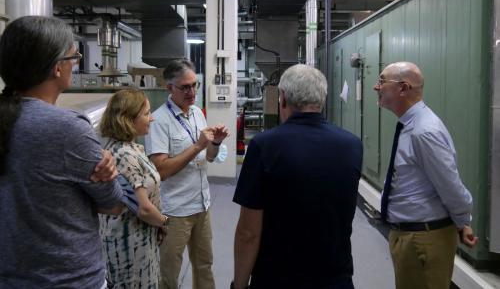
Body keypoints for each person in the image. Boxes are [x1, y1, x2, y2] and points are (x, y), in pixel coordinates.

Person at [0, 16, 123, 289]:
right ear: (57, 67)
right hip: (69, 279)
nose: (76, 63)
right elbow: (114, 204)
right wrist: (107, 178)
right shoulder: (67, 128)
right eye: (74, 56)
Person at [232, 64, 363, 289]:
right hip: (335, 278)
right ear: (323, 99)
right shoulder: (352, 145)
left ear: (282, 99)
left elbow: (248, 233)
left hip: (276, 278)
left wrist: (239, 286)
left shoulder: (264, 146)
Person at [374, 61, 478, 289]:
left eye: (382, 81)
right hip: (410, 237)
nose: (376, 87)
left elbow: (449, 184)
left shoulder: (423, 131)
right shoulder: (410, 125)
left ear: (403, 88)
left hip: (423, 241)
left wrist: (463, 220)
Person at [145, 59, 229, 289]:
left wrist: (216, 144)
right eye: (185, 87)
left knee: (204, 265)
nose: (191, 92)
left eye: (195, 85)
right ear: (169, 87)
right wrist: (198, 146)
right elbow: (161, 170)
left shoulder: (196, 114)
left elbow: (209, 158)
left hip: (202, 205)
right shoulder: (159, 121)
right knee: (169, 273)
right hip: (175, 211)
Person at [99, 88, 167, 288]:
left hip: (141, 240)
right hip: (130, 246)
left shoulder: (129, 149)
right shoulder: (125, 156)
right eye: (146, 114)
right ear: (128, 119)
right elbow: (143, 208)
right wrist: (164, 222)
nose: (151, 119)